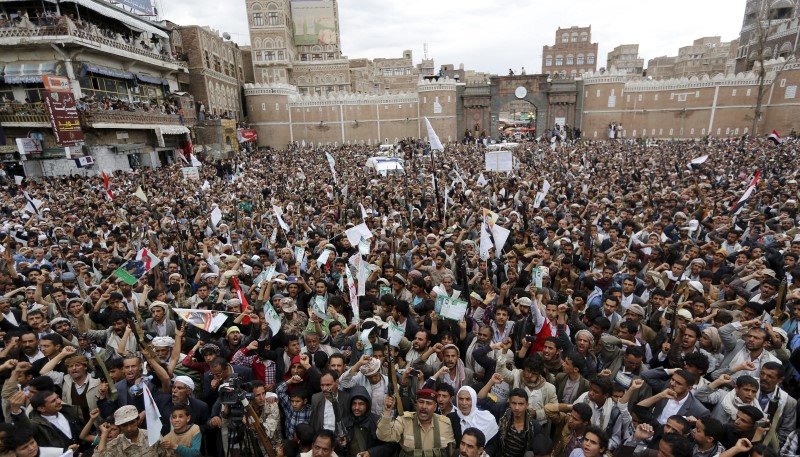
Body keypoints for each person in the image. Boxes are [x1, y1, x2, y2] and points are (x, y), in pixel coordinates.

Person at [376, 389, 455, 457]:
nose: (424, 406)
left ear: (435, 407)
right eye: (421, 402)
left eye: (428, 403)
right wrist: (387, 411)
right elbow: (384, 436)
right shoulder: (404, 420)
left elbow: (452, 449)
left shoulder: (445, 423)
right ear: (416, 404)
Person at [95, 405, 167, 457]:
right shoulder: (115, 445)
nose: (129, 428)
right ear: (119, 426)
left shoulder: (153, 437)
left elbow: (166, 454)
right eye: (124, 425)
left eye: (132, 423)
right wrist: (104, 434)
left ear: (138, 420)